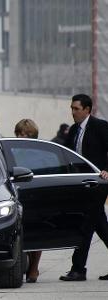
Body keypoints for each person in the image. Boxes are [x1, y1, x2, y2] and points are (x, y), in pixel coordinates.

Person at [59, 94, 108, 281]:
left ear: (87, 109)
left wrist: (107, 170)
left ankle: (78, 268)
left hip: (98, 183)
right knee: (100, 225)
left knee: (86, 225)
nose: (73, 112)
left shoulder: (100, 126)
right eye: (71, 108)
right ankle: (78, 268)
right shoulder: (73, 130)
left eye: (76, 109)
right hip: (82, 185)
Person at [14, 118, 42, 283]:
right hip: (17, 195)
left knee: (36, 232)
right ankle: (27, 266)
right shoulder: (9, 150)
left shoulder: (39, 152)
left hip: (35, 194)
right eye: (19, 133)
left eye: (26, 134)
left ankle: (34, 268)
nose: (21, 136)